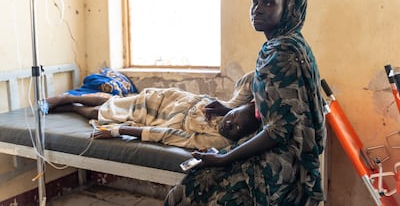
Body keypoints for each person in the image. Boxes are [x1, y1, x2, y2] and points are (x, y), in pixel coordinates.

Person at [164, 0, 326, 205]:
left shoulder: (282, 53)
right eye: (255, 2)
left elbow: (278, 130)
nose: (257, 9)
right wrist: (230, 108)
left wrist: (224, 159)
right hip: (290, 153)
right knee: (198, 179)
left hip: (282, 162)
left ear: (288, 8)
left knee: (196, 186)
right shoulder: (290, 43)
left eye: (269, 2)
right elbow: (275, 103)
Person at [46, 75, 261, 151]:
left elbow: (170, 136)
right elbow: (252, 78)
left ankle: (68, 107)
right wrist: (228, 108)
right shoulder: (227, 107)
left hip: (158, 118)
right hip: (168, 99)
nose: (229, 124)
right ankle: (65, 98)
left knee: (100, 112)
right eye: (232, 117)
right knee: (116, 102)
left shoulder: (219, 141)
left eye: (235, 128)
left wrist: (119, 130)